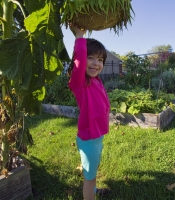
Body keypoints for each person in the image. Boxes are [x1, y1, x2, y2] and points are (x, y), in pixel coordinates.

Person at [67, 25, 110, 200]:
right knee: (89, 178)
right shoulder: (80, 83)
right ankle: (90, 192)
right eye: (90, 58)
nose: (95, 63)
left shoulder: (96, 80)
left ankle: (93, 189)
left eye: (100, 60)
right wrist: (79, 36)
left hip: (97, 137)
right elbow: (79, 61)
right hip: (89, 139)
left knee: (93, 169)